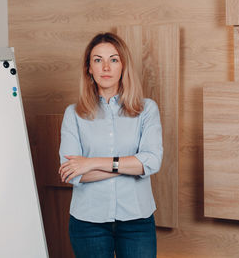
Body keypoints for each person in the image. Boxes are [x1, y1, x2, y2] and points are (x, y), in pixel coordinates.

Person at [58, 32, 163, 258]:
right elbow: (72, 173)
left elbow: (152, 162)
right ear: (89, 67)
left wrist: (90, 163)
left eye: (113, 59)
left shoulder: (147, 110)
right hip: (88, 224)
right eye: (98, 60)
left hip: (137, 221)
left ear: (123, 65)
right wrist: (131, 166)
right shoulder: (73, 114)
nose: (106, 67)